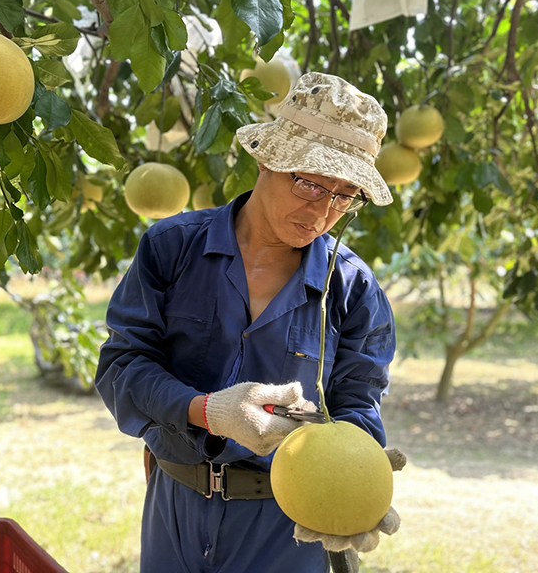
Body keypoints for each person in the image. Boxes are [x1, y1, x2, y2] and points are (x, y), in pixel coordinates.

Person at [96, 72, 398, 572]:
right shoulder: (172, 249)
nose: (322, 212)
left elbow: (358, 402)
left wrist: (356, 474)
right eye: (310, 183)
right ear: (267, 159)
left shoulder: (353, 288)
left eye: (345, 195)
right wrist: (208, 411)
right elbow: (122, 368)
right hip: (176, 503)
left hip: (286, 523)